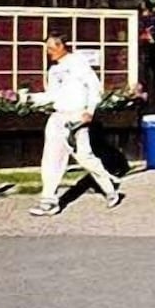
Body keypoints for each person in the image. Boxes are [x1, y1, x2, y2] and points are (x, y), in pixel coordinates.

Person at [27, 33, 122, 216]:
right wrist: (28, 99)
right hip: (58, 117)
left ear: (62, 45)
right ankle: (49, 201)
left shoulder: (78, 62)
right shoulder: (54, 70)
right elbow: (52, 95)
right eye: (47, 48)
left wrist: (90, 111)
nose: (48, 52)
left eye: (51, 47)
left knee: (85, 157)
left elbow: (94, 87)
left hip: (77, 115)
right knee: (51, 159)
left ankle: (110, 188)